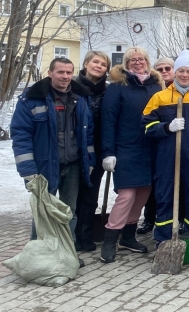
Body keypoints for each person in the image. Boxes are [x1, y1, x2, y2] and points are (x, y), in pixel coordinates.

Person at [11, 57, 96, 266]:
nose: (65, 76)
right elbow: (21, 135)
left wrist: (90, 161)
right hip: (44, 166)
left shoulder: (80, 98)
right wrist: (28, 170)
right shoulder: (32, 99)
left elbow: (88, 134)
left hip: (73, 164)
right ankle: (37, 259)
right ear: (50, 73)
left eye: (69, 72)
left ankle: (67, 254)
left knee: (69, 212)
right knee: (43, 213)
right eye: (60, 72)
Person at [142, 50, 189, 245]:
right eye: (181, 70)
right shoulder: (160, 97)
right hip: (167, 156)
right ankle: (164, 240)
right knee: (165, 196)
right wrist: (167, 127)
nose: (185, 75)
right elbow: (147, 126)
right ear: (175, 72)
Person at [99, 47, 163, 263]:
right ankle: (110, 239)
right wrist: (108, 152)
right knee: (126, 195)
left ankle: (128, 237)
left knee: (143, 193)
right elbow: (108, 120)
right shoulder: (118, 87)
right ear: (126, 63)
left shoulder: (156, 86)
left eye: (141, 59)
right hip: (126, 148)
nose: (138, 62)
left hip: (151, 148)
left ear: (147, 61)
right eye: (133, 60)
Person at [73, 51, 110, 252]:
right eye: (95, 62)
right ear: (86, 63)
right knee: (73, 194)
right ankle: (71, 235)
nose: (99, 66)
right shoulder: (72, 87)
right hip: (74, 149)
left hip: (98, 150)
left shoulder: (108, 91)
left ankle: (85, 234)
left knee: (91, 194)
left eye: (103, 64)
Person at [138, 57, 176, 236]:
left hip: (174, 143)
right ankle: (150, 218)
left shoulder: (181, 88)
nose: (164, 71)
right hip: (152, 142)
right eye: (160, 69)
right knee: (154, 184)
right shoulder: (151, 88)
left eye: (168, 68)